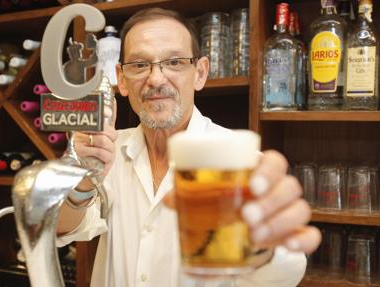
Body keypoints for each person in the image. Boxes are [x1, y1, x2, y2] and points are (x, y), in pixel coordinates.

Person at [56, 7, 321, 287]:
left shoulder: (239, 159)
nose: (156, 79)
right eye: (139, 65)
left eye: (175, 62)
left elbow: (285, 272)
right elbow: (62, 227)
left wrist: (259, 248)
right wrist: (81, 179)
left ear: (200, 73)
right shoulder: (105, 151)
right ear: (121, 79)